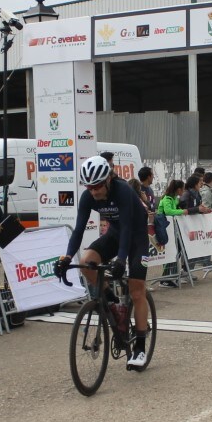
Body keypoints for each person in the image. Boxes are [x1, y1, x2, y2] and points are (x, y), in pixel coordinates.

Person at [56, 156, 152, 369]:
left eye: (98, 186)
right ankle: (112, 301)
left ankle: (140, 348)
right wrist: (67, 257)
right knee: (87, 262)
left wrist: (121, 259)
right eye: (89, 187)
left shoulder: (123, 191)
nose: (94, 191)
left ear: (108, 180)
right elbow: (79, 229)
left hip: (136, 238)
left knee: (137, 292)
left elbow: (127, 226)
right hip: (114, 235)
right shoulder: (88, 196)